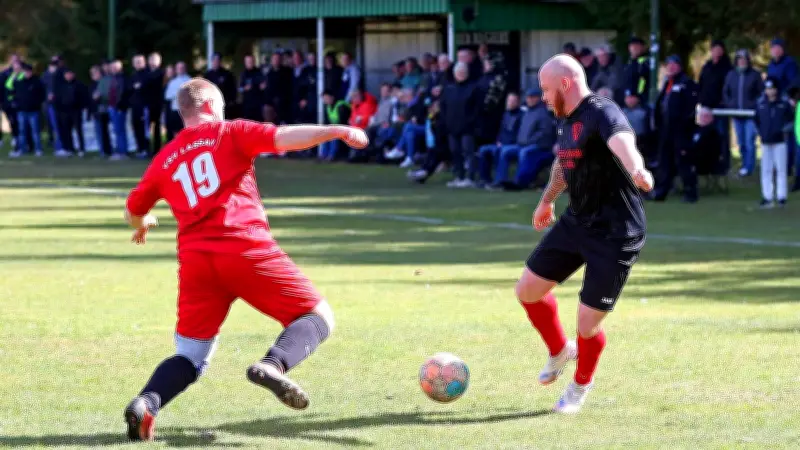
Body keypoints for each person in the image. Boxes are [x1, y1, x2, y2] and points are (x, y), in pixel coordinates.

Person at [122, 77, 368, 441]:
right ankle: (273, 364)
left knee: (190, 354)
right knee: (318, 316)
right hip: (245, 249)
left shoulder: (165, 157)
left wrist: (143, 224)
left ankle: (147, 403)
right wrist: (336, 130)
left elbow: (133, 207)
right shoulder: (229, 132)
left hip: (197, 263)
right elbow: (284, 137)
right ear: (208, 104)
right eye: (221, 105)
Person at [516, 54, 653, 414]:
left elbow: (623, 142)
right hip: (578, 220)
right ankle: (560, 351)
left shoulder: (602, 111)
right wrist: (546, 202)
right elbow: (564, 162)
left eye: (546, 89)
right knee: (528, 290)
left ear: (565, 83)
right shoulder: (565, 118)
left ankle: (580, 384)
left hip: (615, 233)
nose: (543, 96)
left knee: (587, 324)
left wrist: (637, 169)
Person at [755, 78, 792, 208]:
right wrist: (761, 133)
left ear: (777, 89)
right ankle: (767, 196)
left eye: (772, 88)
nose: (770, 91)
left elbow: (790, 121)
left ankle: (781, 196)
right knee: (766, 170)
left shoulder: (783, 104)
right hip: (765, 141)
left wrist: (783, 131)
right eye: (768, 89)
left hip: (780, 141)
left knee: (781, 169)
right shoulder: (760, 104)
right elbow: (757, 120)